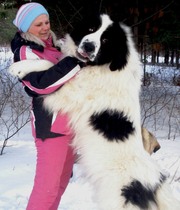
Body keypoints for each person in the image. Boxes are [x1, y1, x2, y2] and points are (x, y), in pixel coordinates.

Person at [11, 3, 83, 210]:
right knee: (46, 189)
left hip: (71, 125)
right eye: (37, 24)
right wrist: (75, 62)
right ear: (25, 28)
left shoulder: (55, 46)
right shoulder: (25, 51)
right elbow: (41, 84)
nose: (44, 27)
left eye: (46, 22)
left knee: (60, 184)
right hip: (51, 129)